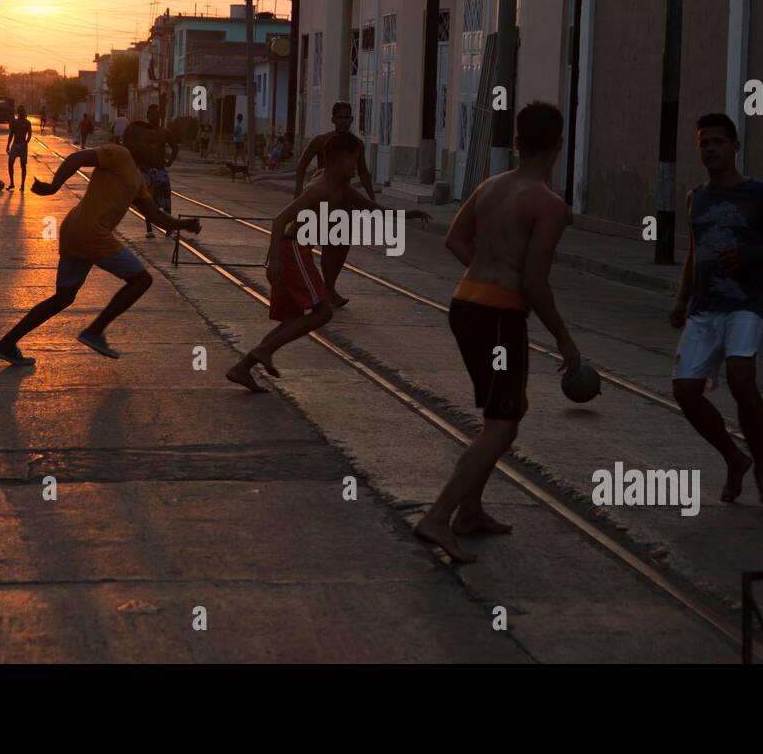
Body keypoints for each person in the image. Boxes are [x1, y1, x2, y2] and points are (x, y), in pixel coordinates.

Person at [413, 103, 580, 564]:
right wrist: (565, 339)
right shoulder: (549, 205)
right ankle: (437, 516)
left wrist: (488, 274)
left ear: (519, 142)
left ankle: (470, 511)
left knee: (507, 407)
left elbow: (455, 239)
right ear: (560, 146)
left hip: (465, 305)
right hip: (499, 318)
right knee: (502, 425)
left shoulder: (490, 186)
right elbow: (534, 284)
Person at [669, 113, 763, 506]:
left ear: (735, 146)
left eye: (718, 142)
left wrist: (751, 254)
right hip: (704, 306)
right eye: (703, 143)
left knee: (741, 378)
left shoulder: (761, 194)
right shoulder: (696, 196)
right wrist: (681, 300)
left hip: (748, 302)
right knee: (685, 390)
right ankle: (734, 458)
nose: (710, 149)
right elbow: (694, 253)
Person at [227, 131, 429, 392]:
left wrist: (406, 214)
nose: (357, 169)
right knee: (323, 312)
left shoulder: (340, 187)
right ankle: (262, 352)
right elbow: (279, 220)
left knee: (292, 319)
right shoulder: (319, 188)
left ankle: (243, 367)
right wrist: (275, 259)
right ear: (340, 161)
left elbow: (369, 206)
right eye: (354, 162)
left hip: (299, 251)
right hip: (293, 250)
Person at [0, 140, 202, 366]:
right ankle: (95, 331)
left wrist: (183, 225)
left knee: (63, 297)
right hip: (91, 233)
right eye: (147, 139)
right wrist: (54, 186)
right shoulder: (119, 154)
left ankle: (7, 343)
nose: (153, 147)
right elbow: (77, 158)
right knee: (141, 280)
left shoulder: (138, 181)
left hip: (75, 231)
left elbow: (156, 216)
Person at [293, 101, 375, 307]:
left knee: (341, 246)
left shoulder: (356, 144)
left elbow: (363, 171)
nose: (344, 121)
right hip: (323, 199)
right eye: (340, 117)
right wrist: (297, 193)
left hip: (345, 199)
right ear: (332, 119)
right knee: (319, 244)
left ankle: (329, 287)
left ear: (352, 119)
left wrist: (372, 198)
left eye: (347, 117)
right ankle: (322, 289)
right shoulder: (322, 141)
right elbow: (302, 164)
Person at [126, 103, 178, 238]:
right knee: (147, 200)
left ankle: (169, 229)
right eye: (149, 114)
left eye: (154, 114)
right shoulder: (141, 133)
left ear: (159, 116)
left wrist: (169, 162)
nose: (151, 116)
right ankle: (149, 229)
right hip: (145, 170)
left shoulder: (164, 132)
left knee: (166, 201)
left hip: (160, 170)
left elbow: (175, 147)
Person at [5, 105, 32, 192]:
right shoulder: (14, 122)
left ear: (24, 113)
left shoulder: (27, 123)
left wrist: (26, 143)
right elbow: (11, 134)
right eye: (19, 111)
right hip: (15, 145)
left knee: (23, 165)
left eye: (22, 111)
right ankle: (12, 183)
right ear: (18, 113)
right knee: (10, 163)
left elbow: (30, 135)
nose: (21, 113)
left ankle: (22, 184)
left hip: (22, 145)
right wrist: (8, 145)